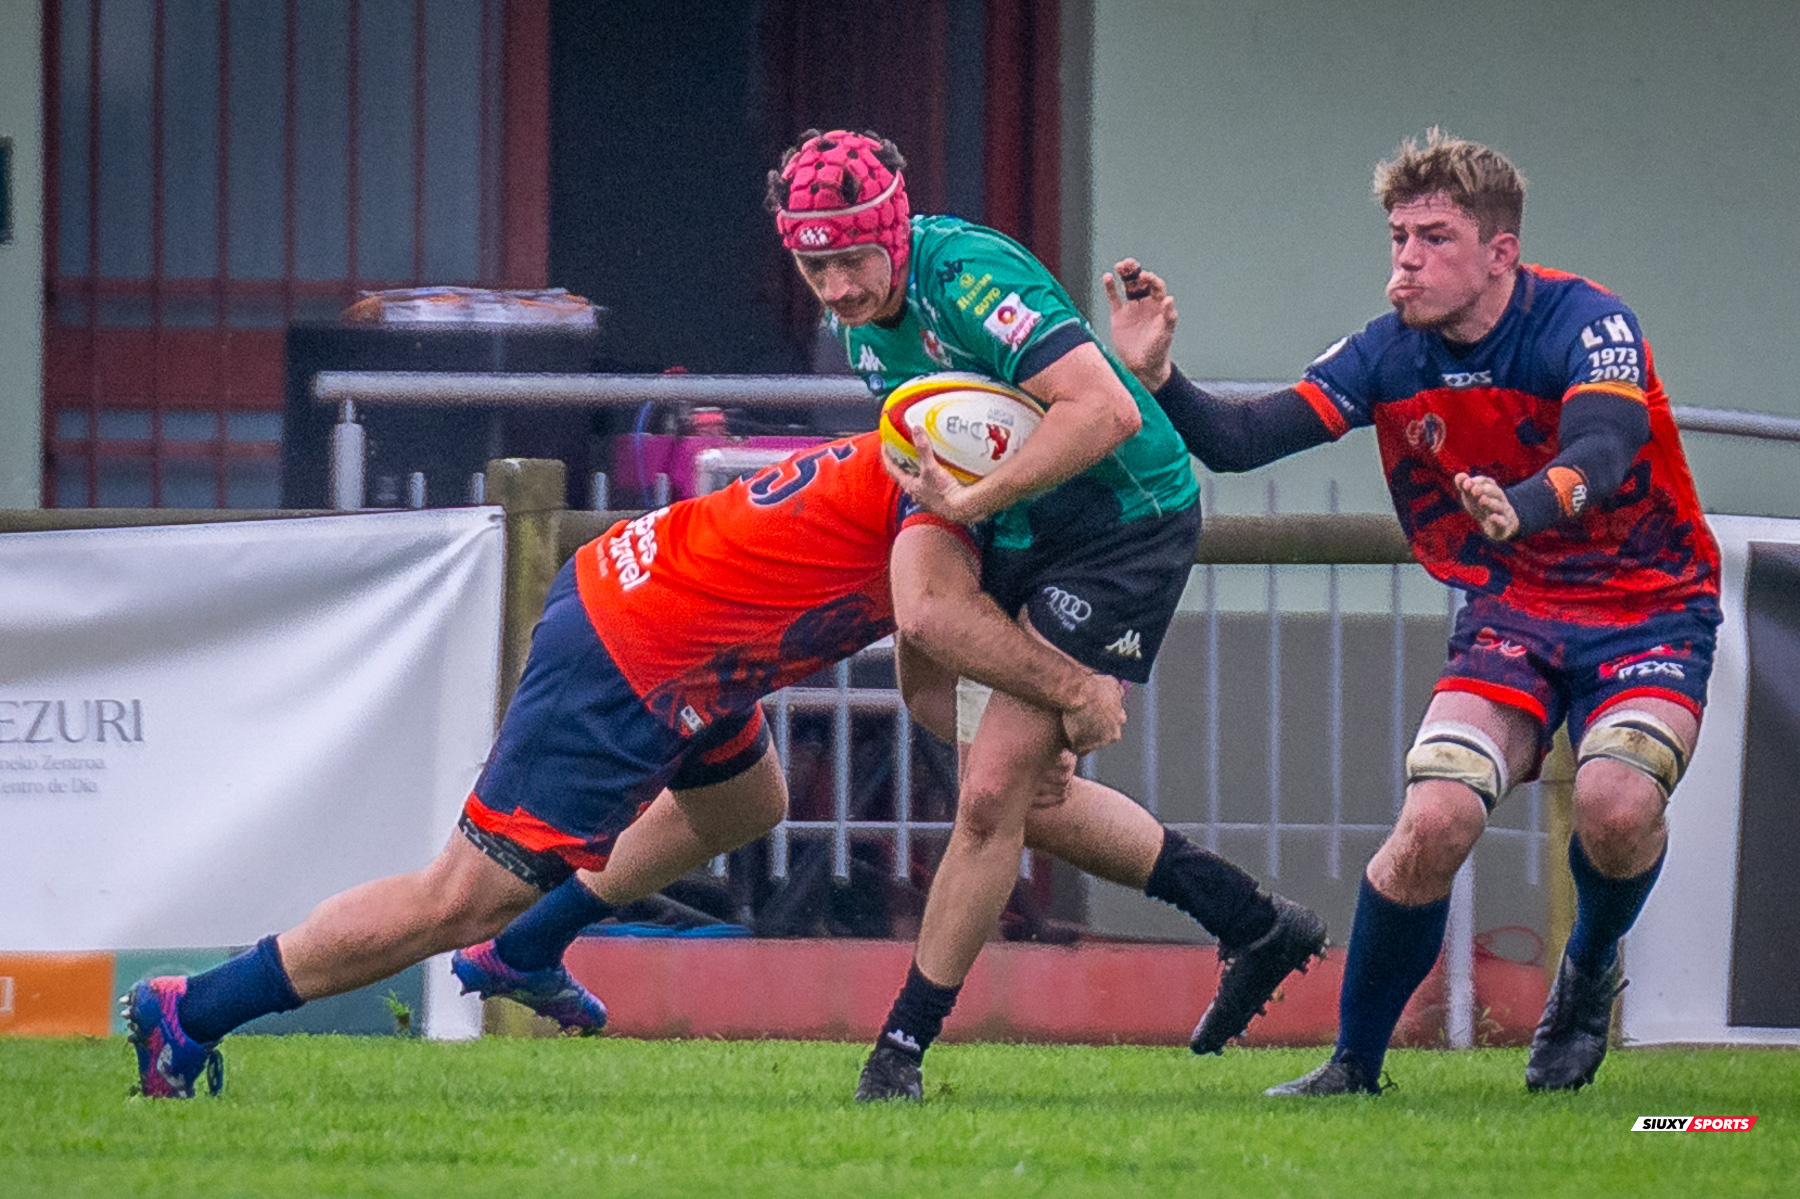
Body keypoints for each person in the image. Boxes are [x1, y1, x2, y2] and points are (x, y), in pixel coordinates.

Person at [124, 430, 1309, 1099]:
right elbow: (933, 636)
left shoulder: (959, 444)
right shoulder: (957, 474)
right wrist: (1067, 696)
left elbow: (928, 662)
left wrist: (1007, 768)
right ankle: (192, 1008)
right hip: (634, 652)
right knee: (457, 893)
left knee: (750, 798)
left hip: (665, 617)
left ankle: (527, 950)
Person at [1104, 129, 1720, 1095]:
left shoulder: (1587, 321)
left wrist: (1520, 504)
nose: (1406, 261)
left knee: (1616, 804)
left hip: (1649, 605)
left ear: (1500, 252)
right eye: (1398, 238)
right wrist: (1161, 381)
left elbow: (1605, 446)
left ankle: (1589, 966)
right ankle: (1355, 1066)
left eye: (1433, 238)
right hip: (1513, 608)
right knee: (1432, 818)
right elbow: (1242, 438)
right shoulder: (1387, 351)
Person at [768, 129, 1326, 1103]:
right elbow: (946, 436)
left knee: (991, 795)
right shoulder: (859, 323)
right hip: (1014, 512)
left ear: (894, 234)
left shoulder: (967, 278)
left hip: (1121, 519)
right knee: (937, 654)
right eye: (816, 265)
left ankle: (897, 1053)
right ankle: (1252, 918)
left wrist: (970, 506)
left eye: (854, 259)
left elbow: (1105, 412)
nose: (840, 286)